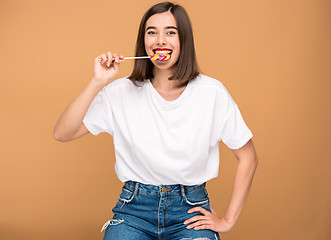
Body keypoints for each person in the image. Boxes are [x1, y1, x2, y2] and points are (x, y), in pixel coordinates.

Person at [53, 2, 258, 240]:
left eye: (171, 32)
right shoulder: (119, 92)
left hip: (190, 211)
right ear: (144, 41)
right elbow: (63, 133)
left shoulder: (212, 92)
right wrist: (97, 82)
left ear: (185, 41)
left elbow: (248, 157)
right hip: (133, 211)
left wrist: (228, 220)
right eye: (152, 32)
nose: (160, 40)